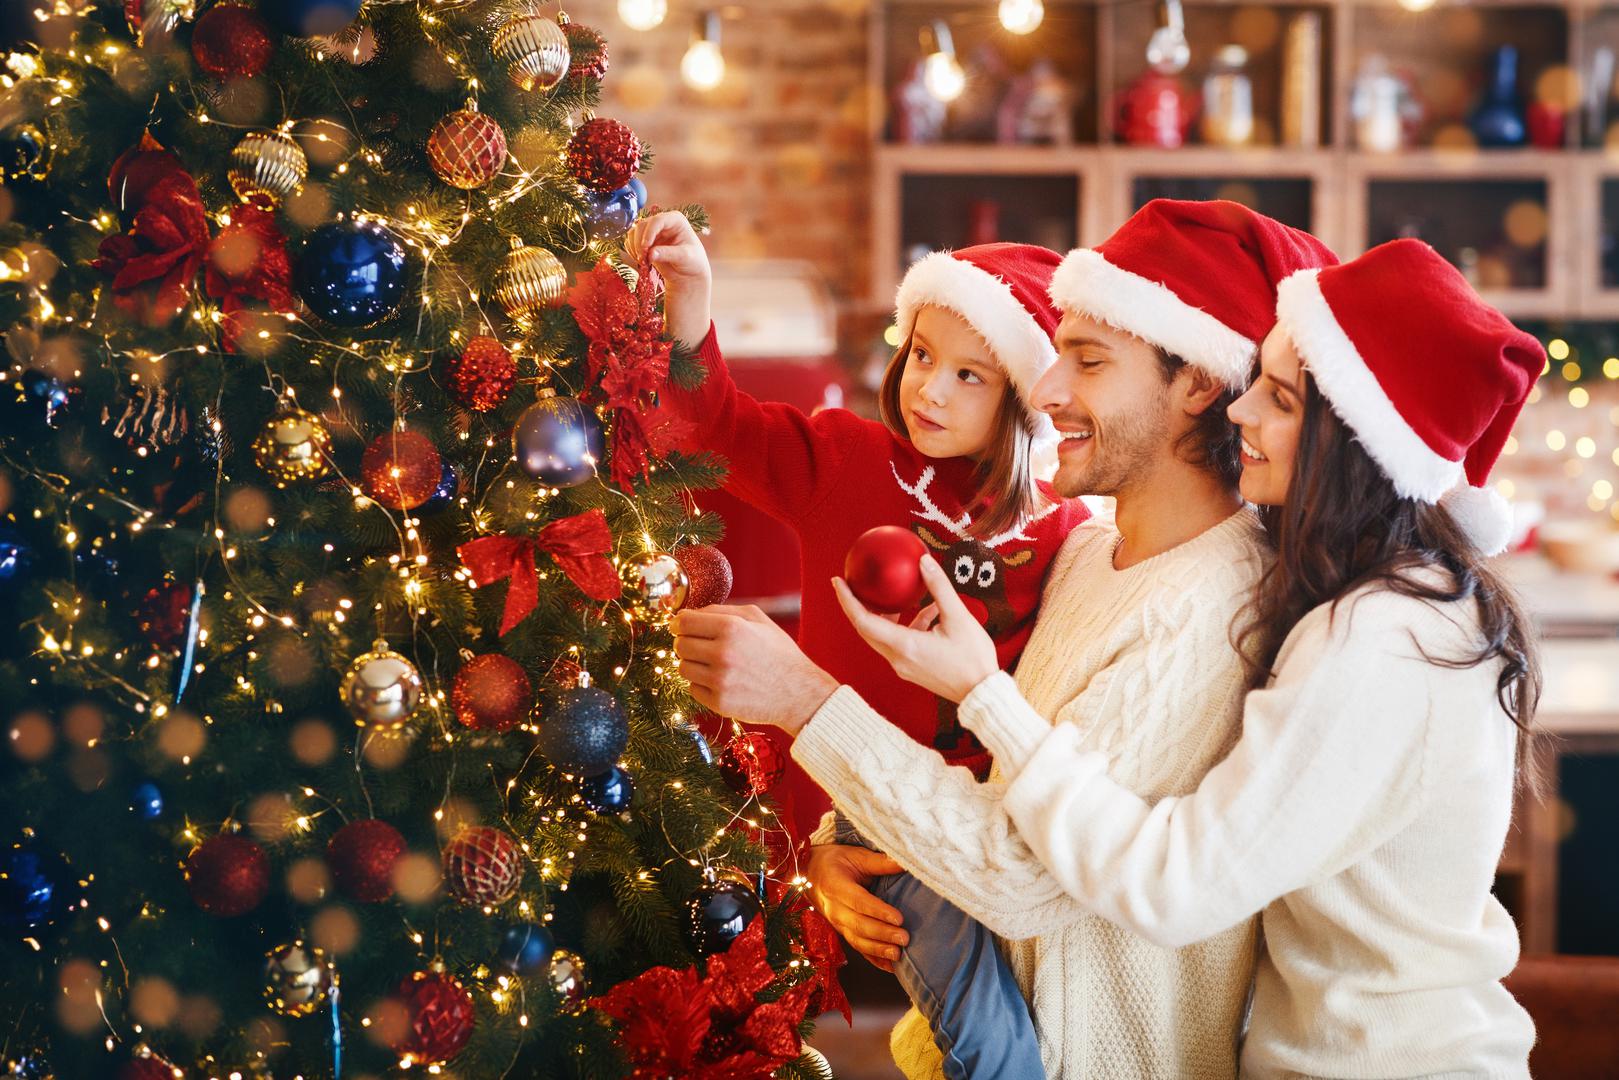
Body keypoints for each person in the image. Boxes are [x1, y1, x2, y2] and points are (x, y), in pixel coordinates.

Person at [835, 238, 1544, 1076]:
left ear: (1352, 442)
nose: (1241, 411)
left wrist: (967, 696)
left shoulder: (1380, 637)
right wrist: (846, 833)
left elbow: (1174, 881)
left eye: (1278, 398)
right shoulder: (1353, 601)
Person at [670, 200, 1338, 1078]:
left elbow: (1014, 876)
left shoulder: (1194, 605)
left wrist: (804, 700)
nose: (1048, 387)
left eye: (1087, 361)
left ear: (1198, 384)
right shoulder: (1092, 559)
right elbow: (987, 788)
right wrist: (840, 842)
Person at [627, 212, 1089, 1077]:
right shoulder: (845, 461)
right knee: (991, 1045)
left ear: (1025, 399)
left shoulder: (1061, 528)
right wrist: (690, 310)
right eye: (921, 356)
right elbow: (715, 425)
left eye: (968, 376)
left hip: (995, 834)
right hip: (873, 823)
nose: (931, 391)